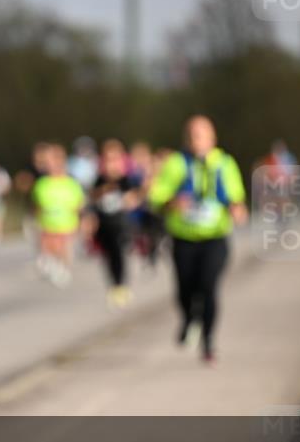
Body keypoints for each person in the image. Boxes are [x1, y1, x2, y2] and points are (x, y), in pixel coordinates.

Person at [148, 115, 247, 365]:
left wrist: (237, 208)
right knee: (184, 290)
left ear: (212, 138)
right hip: (184, 239)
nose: (196, 141)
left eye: (201, 135)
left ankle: (208, 342)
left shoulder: (224, 163)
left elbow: (236, 195)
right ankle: (189, 318)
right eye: (192, 135)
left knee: (208, 287)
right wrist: (172, 202)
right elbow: (157, 197)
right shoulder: (176, 163)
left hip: (215, 237)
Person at [89, 140, 141, 308]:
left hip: (121, 224)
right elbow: (92, 200)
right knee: (108, 256)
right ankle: (113, 284)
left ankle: (121, 285)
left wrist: (128, 198)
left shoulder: (126, 180)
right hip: (105, 224)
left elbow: (135, 198)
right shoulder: (99, 180)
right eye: (108, 159)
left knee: (119, 254)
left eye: (114, 159)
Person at [31, 144, 85, 287]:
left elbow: (79, 205)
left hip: (66, 223)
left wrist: (81, 223)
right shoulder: (41, 183)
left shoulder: (71, 183)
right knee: (49, 247)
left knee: (62, 247)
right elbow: (37, 206)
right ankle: (53, 265)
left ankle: (63, 268)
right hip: (47, 223)